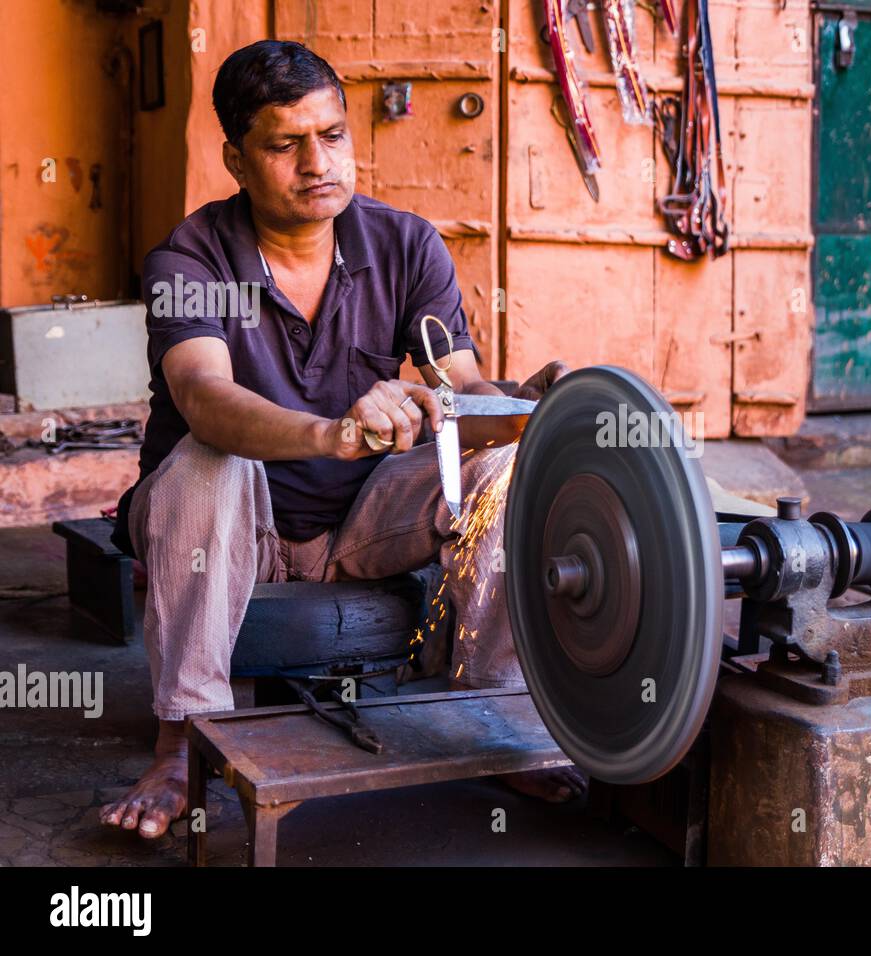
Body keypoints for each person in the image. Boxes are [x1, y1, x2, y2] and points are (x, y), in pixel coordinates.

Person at [100, 39, 586, 840]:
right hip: (235, 527)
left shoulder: (403, 244)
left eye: (332, 136)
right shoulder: (187, 259)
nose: (317, 162)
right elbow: (204, 396)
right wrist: (330, 433)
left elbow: (457, 389)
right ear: (237, 158)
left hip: (362, 520)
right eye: (285, 144)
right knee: (201, 465)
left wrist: (533, 403)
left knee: (504, 468)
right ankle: (180, 744)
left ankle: (496, 715)